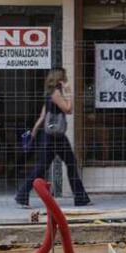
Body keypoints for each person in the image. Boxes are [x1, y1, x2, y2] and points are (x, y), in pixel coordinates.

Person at [15, 68, 91, 208]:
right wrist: (68, 92)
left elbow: (43, 116)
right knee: (64, 165)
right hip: (56, 137)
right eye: (65, 76)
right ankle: (80, 198)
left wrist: (35, 130)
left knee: (48, 166)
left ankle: (22, 195)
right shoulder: (56, 93)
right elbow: (68, 109)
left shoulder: (49, 93)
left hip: (49, 136)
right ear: (60, 79)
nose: (67, 78)